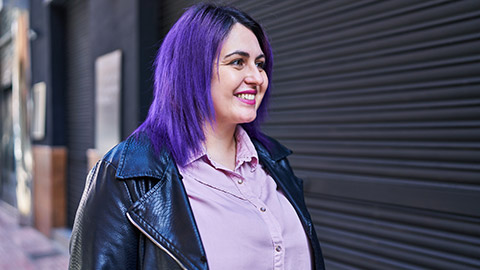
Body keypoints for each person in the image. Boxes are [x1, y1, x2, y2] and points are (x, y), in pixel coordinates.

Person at [69, 3, 325, 270]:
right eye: (238, 62)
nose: (257, 77)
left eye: (259, 64)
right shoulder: (124, 176)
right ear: (192, 69)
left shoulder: (274, 161)